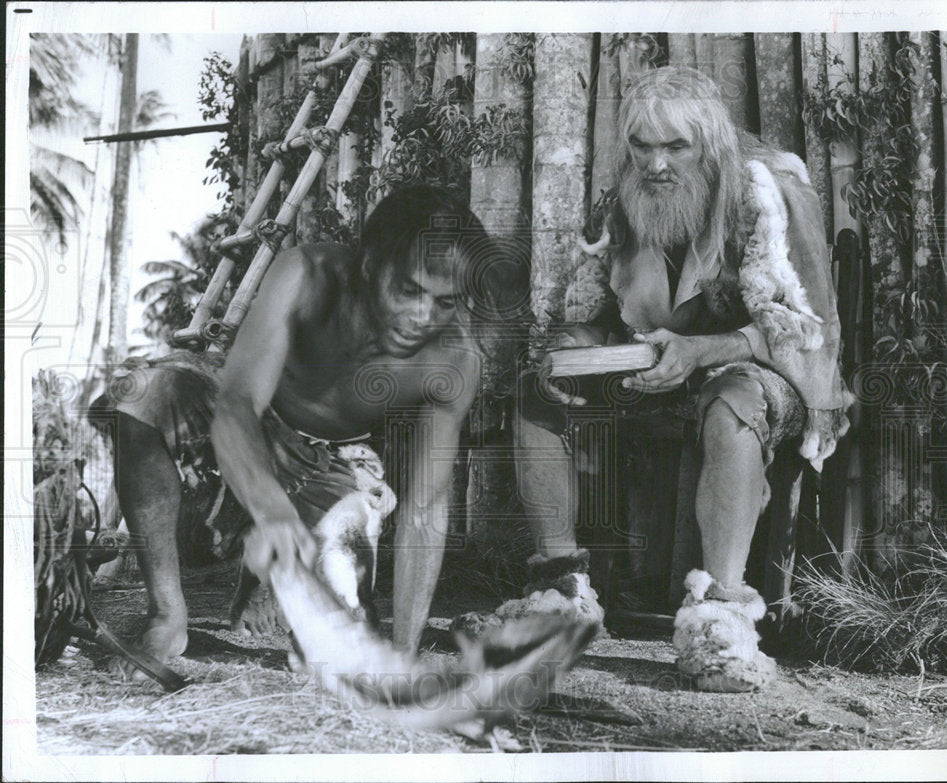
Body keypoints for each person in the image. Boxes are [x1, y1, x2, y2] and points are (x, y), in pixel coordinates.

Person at [476, 66, 853, 693]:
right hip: (657, 364)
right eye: (643, 146)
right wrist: (572, 348)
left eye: (676, 146)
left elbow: (807, 329)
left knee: (732, 403)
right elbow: (600, 308)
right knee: (537, 389)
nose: (656, 164)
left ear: (709, 144)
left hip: (763, 370)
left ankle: (721, 621)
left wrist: (704, 349)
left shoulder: (768, 191)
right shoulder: (626, 192)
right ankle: (560, 593)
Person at [91, 185, 511, 664]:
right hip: (245, 428)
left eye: (445, 303)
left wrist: (403, 653)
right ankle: (166, 616)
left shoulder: (454, 362)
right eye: (409, 291)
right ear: (370, 266)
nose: (423, 317)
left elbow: (425, 510)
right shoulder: (307, 274)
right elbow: (238, 404)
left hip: (333, 464)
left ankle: (274, 579)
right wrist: (273, 513)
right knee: (141, 396)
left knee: (332, 656)